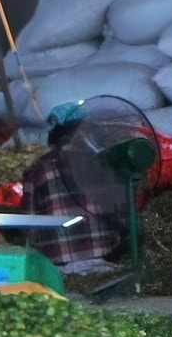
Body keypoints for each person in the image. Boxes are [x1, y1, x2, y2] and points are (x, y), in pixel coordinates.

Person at [21, 102, 125, 270]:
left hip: (57, 259)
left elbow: (28, 219)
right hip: (105, 252)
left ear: (53, 134)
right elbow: (120, 208)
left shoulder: (38, 169)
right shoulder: (103, 161)